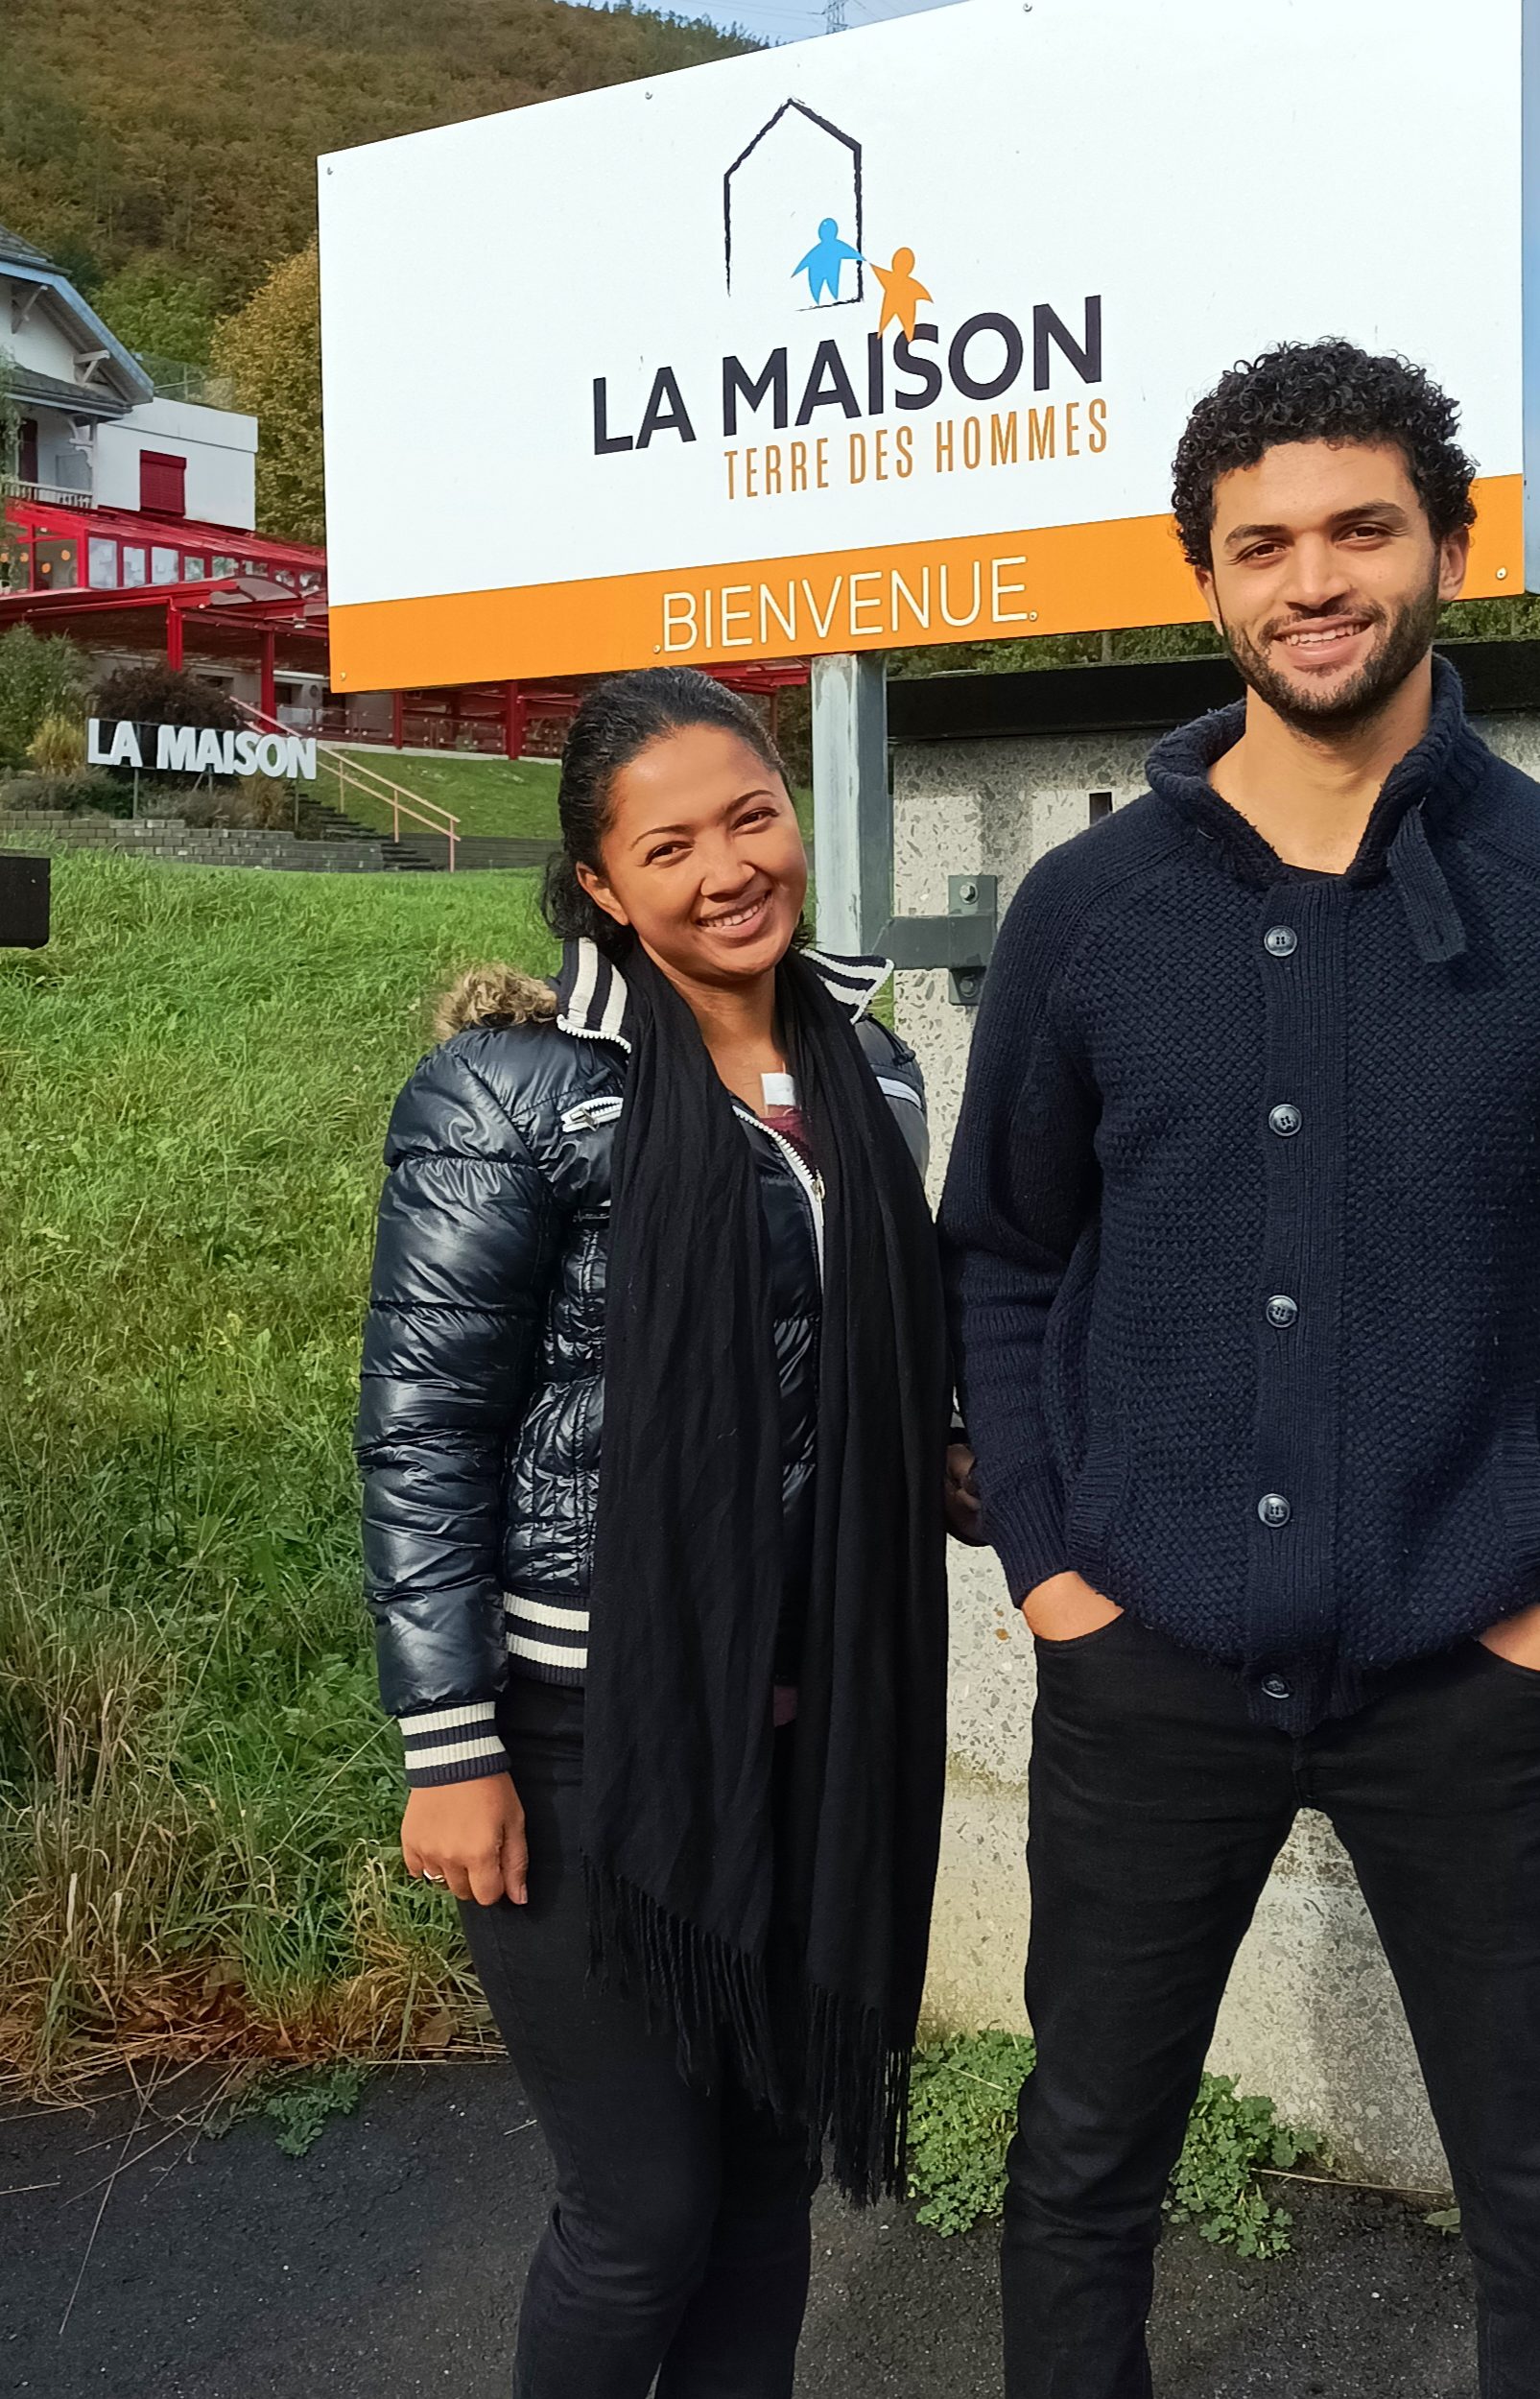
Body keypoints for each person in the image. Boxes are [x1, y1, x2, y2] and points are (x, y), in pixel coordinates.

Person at [940, 340, 1540, 2399]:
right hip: (1149, 1662)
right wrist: (1053, 1579)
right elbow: (1004, 1259)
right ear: (1201, 579)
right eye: (1258, 541)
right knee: (1084, 2165)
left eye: (1357, 528)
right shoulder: (1089, 909)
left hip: (1474, 1674)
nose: (1311, 577)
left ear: (1448, 546)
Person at [357, 667, 961, 2399]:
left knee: (768, 2190)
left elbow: (868, 1350)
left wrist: (951, 1450)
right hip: (578, 1731)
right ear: (602, 887)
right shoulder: (511, 1093)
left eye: (750, 816)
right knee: (643, 2209)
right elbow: (421, 1430)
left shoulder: (874, 1070)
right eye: (669, 844)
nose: (725, 868)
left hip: (812, 1717)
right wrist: (446, 1740)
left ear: (797, 815)